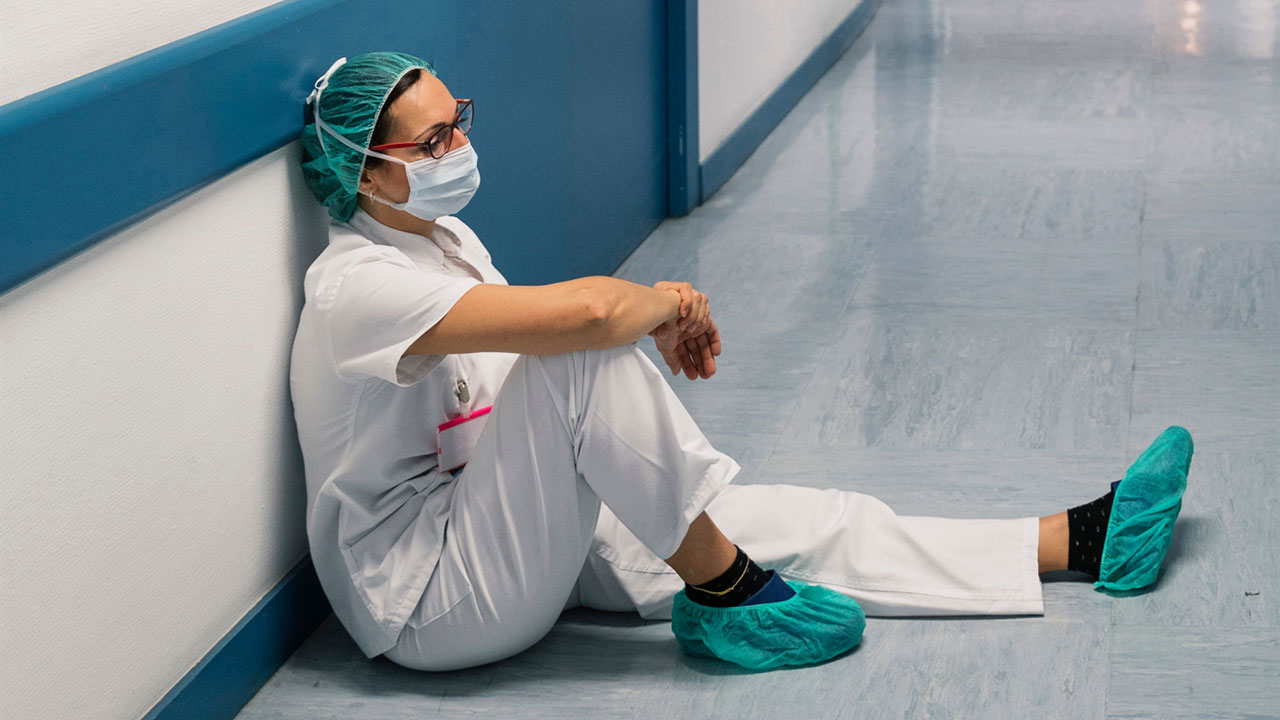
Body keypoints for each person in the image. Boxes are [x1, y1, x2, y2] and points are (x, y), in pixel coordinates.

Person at [289, 52, 1193, 673]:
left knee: (801, 518)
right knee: (581, 362)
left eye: (459, 122)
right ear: (365, 174)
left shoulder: (444, 242)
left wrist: (642, 318)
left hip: (502, 519)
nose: (459, 147)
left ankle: (1076, 541)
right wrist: (666, 306)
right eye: (433, 142)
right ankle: (725, 592)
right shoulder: (353, 287)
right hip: (431, 598)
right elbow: (587, 319)